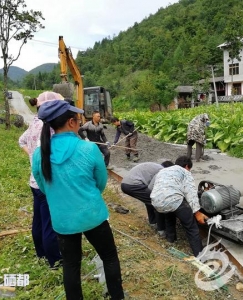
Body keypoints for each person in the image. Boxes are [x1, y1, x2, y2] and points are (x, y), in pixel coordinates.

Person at [32, 100, 124, 300]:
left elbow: (43, 185)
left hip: (62, 220)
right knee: (109, 257)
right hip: (92, 215)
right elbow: (100, 183)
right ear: (72, 123)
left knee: (71, 265)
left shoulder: (39, 154)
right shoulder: (89, 149)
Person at [18, 91, 63, 269]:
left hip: (34, 181)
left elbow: (21, 141)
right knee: (49, 224)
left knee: (38, 220)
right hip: (46, 184)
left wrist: (32, 157)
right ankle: (54, 260)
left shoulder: (34, 123)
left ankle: (41, 254)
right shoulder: (49, 127)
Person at [151, 156, 208, 257]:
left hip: (156, 202)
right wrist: (197, 213)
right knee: (192, 228)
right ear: (187, 166)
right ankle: (200, 256)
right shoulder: (185, 172)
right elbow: (190, 193)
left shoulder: (162, 171)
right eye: (189, 169)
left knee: (169, 215)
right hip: (173, 200)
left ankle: (171, 240)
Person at [121, 161, 174, 236]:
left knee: (149, 200)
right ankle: (161, 230)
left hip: (125, 183)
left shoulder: (154, 166)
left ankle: (153, 222)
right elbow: (150, 188)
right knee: (157, 203)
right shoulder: (161, 170)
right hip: (133, 184)